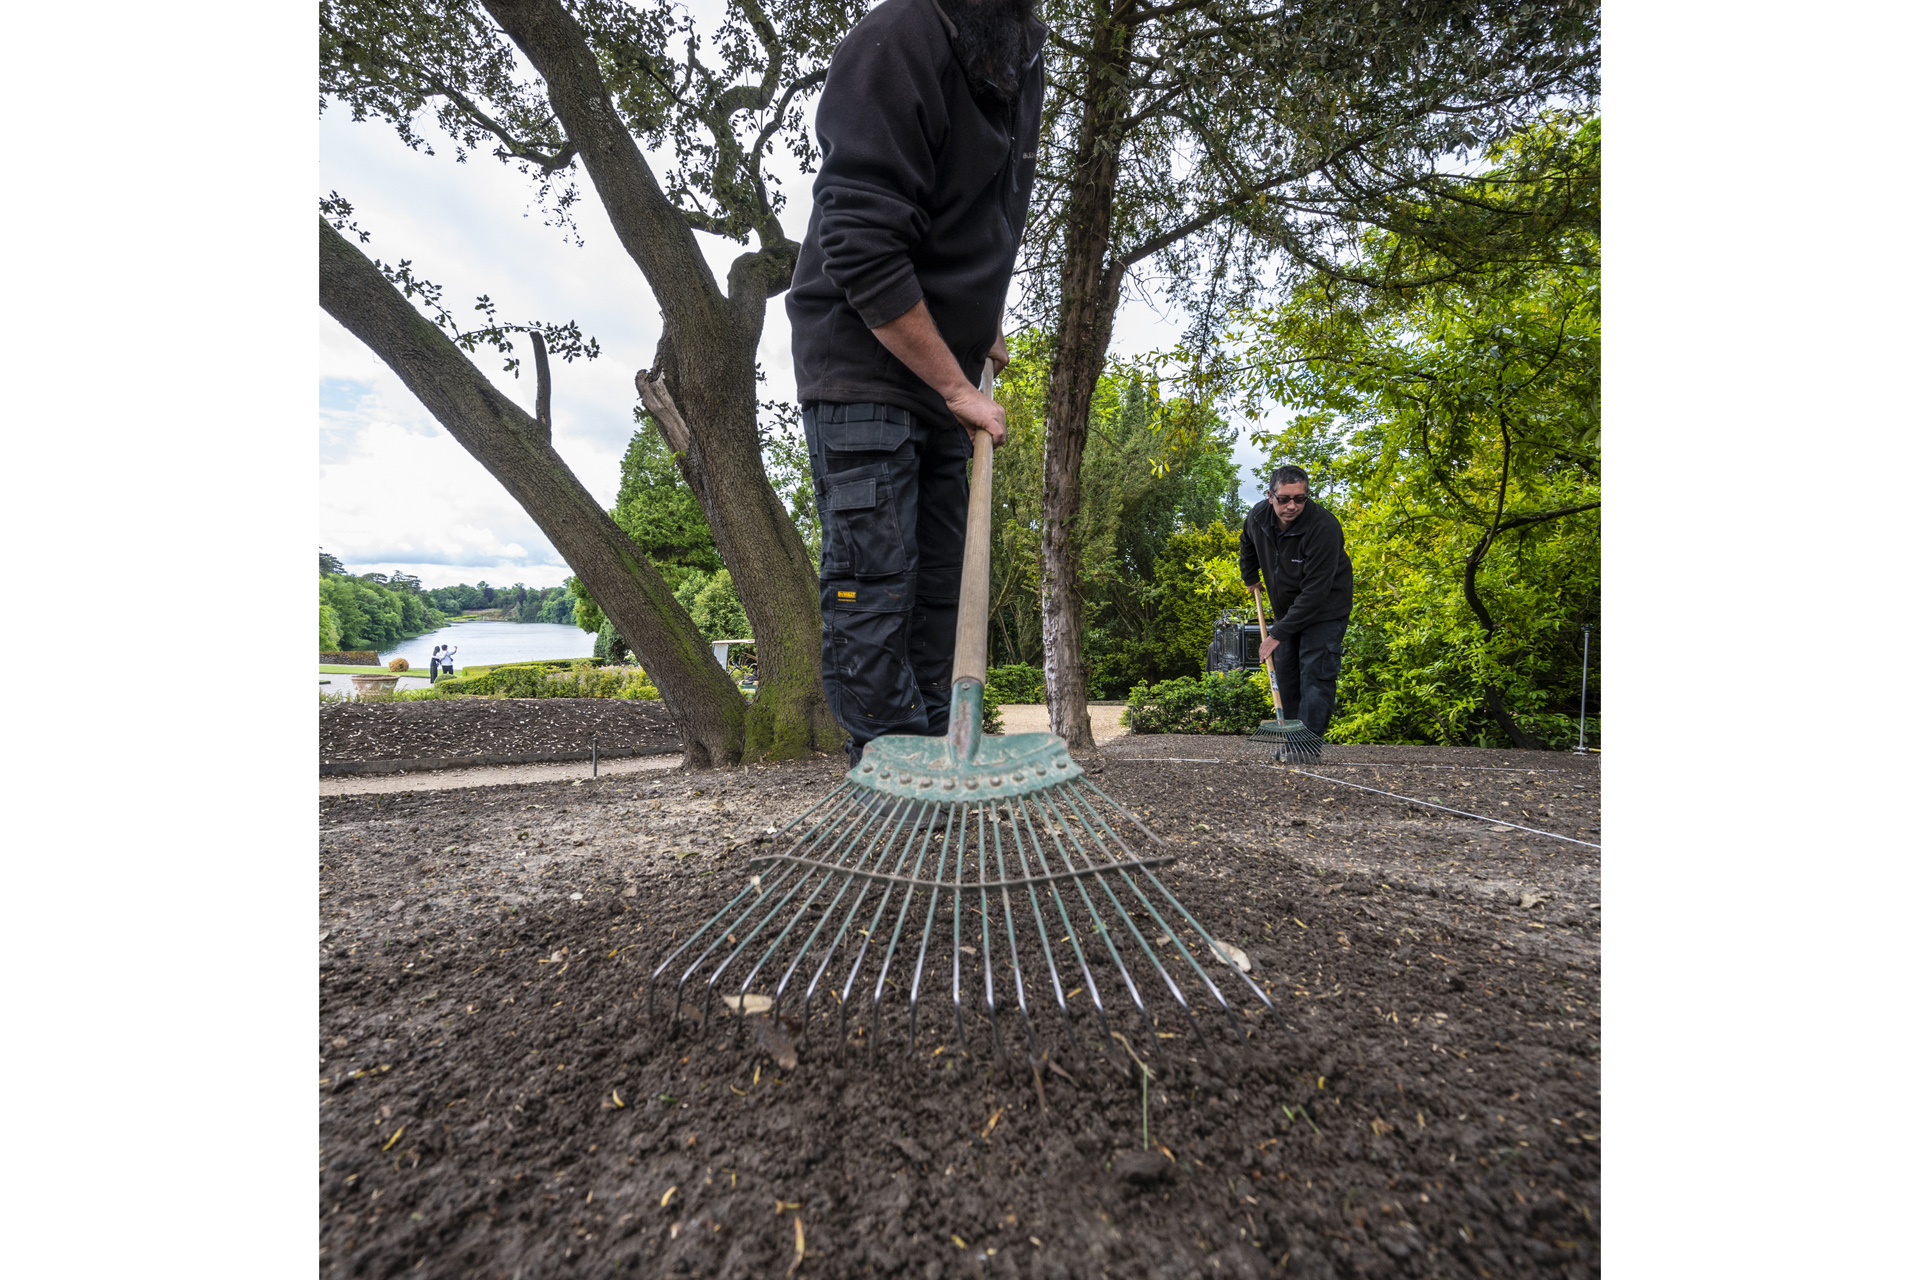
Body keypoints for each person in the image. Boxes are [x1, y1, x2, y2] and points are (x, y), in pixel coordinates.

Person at [786, 0, 1046, 767]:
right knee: (878, 585)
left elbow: (974, 211)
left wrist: (979, 319)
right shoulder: (895, 39)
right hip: (864, 362)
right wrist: (956, 385)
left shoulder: (1021, 53)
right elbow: (860, 244)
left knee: (939, 592)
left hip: (943, 368)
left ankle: (941, 763)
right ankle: (889, 769)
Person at [1239, 466, 1355, 750]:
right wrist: (1250, 575)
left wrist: (1276, 634)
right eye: (1284, 499)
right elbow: (1247, 542)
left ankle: (1306, 748)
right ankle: (1292, 742)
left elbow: (1316, 592)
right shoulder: (1258, 517)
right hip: (1287, 611)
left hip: (1325, 611)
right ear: (1270, 496)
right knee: (1287, 677)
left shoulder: (1324, 527)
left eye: (1300, 499)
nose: (1292, 506)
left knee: (1315, 677)